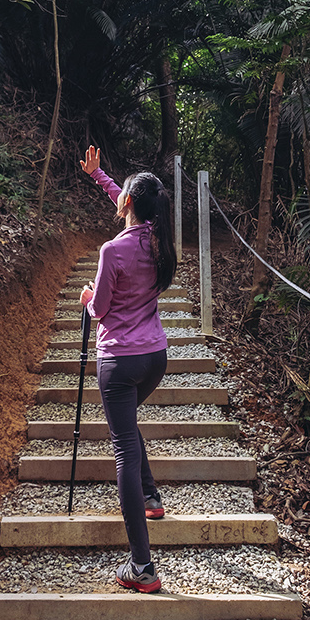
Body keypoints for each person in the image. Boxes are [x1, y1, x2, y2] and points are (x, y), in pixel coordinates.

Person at [78, 145, 178, 594]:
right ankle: (152, 497)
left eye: (123, 198)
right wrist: (101, 177)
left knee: (123, 448)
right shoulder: (162, 240)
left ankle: (142, 566)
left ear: (131, 206)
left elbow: (98, 310)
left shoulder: (112, 251)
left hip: (118, 362)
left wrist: (85, 299)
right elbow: (130, 201)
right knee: (127, 426)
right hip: (155, 358)